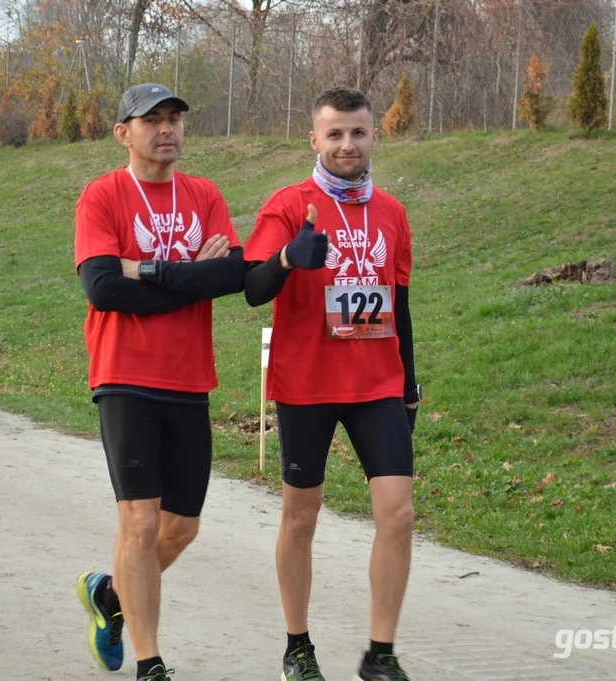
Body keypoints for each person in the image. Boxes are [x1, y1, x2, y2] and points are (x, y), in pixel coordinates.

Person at [244, 87, 420, 681]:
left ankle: (381, 654)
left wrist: (411, 387)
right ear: (314, 139)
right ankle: (298, 645)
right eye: (335, 133)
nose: (348, 144)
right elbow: (252, 289)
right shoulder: (290, 204)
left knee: (397, 514)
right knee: (302, 515)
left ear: (375, 137)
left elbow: (399, 302)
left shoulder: (392, 213)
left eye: (359, 132)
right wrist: (289, 259)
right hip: (308, 386)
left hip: (377, 385)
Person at [73, 83, 246, 681]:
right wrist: (186, 274)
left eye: (175, 118)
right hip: (123, 377)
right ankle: (152, 665)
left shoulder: (204, 195)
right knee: (140, 523)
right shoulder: (102, 195)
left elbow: (230, 277)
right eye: (153, 120)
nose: (168, 128)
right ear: (124, 132)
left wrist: (145, 270)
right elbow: (101, 288)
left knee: (181, 527)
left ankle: (111, 596)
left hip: (188, 379)